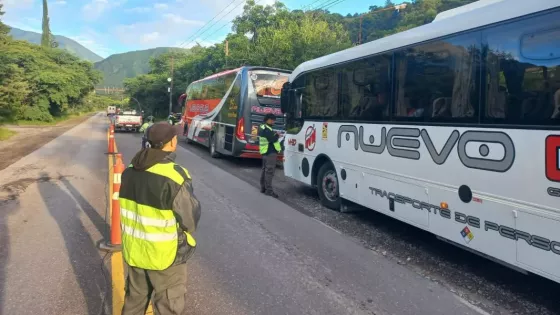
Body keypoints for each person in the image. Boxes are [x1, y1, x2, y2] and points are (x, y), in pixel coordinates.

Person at [119, 122, 201, 315]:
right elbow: (189, 219)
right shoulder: (175, 175)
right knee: (168, 305)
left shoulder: (129, 170)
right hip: (165, 254)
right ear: (171, 142)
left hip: (136, 250)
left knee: (134, 303)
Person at [258, 113, 282, 198]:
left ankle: (263, 188)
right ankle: (269, 190)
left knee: (265, 170)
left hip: (265, 152)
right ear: (267, 119)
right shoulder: (265, 129)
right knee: (269, 171)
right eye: (272, 120)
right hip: (270, 152)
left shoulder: (263, 127)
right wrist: (277, 135)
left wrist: (275, 135)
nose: (273, 121)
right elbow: (272, 139)